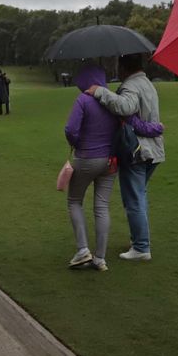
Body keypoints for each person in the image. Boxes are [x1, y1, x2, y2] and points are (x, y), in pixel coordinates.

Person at [90, 54, 164, 261]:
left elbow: (125, 107)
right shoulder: (147, 83)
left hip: (137, 150)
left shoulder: (130, 85)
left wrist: (100, 92)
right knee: (139, 195)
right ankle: (139, 240)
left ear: (124, 68)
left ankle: (141, 247)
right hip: (152, 151)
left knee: (133, 198)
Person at [63, 64, 119, 271]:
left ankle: (82, 249)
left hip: (86, 157)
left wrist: (76, 143)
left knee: (74, 201)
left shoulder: (83, 100)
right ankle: (100, 258)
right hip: (110, 161)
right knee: (102, 207)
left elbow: (70, 128)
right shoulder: (112, 100)